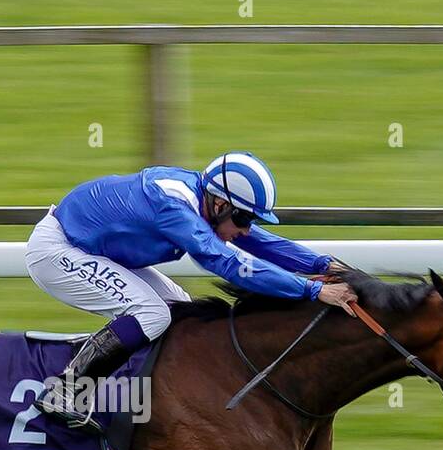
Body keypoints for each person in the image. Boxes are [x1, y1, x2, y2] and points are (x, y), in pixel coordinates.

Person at [26, 151, 357, 429]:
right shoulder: (174, 207)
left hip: (95, 249)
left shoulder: (205, 201)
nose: (246, 229)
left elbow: (260, 243)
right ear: (219, 204)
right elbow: (226, 263)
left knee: (182, 311)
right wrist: (310, 291)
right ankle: (64, 391)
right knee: (152, 314)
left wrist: (323, 264)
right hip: (59, 250)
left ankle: (151, 398)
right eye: (244, 219)